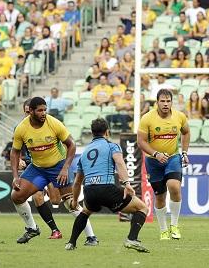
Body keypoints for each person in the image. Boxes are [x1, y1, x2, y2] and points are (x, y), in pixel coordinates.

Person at [10, 97, 98, 245]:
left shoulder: (54, 123)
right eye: (40, 110)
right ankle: (32, 228)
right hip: (37, 168)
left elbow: (72, 145)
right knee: (17, 196)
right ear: (30, 111)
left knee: (70, 202)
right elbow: (14, 152)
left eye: (45, 109)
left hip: (58, 166)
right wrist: (15, 176)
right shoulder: (21, 128)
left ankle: (91, 237)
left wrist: (65, 168)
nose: (43, 113)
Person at [65, 118, 150, 252]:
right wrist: (127, 183)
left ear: (92, 133)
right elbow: (120, 163)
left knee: (85, 211)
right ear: (107, 132)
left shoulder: (85, 153)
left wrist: (75, 200)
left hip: (89, 191)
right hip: (106, 189)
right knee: (142, 208)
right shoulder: (112, 146)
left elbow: (77, 182)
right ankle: (132, 239)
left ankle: (71, 243)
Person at [137, 89, 190, 240]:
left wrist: (184, 153)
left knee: (174, 186)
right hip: (153, 161)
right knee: (160, 196)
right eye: (163, 101)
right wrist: (155, 154)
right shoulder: (147, 118)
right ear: (157, 102)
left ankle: (174, 225)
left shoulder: (179, 116)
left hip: (173, 157)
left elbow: (186, 132)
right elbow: (141, 141)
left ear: (172, 102)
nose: (166, 104)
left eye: (168, 101)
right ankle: (163, 229)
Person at [19, 99, 62, 239]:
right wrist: (19, 159)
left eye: (29, 112)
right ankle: (54, 230)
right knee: (37, 197)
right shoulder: (21, 128)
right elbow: (16, 148)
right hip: (36, 169)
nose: (27, 115)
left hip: (52, 166)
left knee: (56, 200)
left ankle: (88, 232)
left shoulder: (49, 124)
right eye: (26, 112)